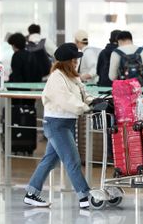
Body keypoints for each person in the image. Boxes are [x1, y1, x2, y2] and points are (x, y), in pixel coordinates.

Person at [23, 43, 94, 208]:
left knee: (49, 160)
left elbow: (83, 92)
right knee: (73, 160)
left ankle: (31, 193)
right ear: (67, 61)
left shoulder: (71, 76)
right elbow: (66, 100)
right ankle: (85, 197)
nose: (76, 62)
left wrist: (92, 101)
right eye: (74, 59)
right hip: (56, 124)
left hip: (67, 122)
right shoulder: (56, 77)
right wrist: (85, 108)